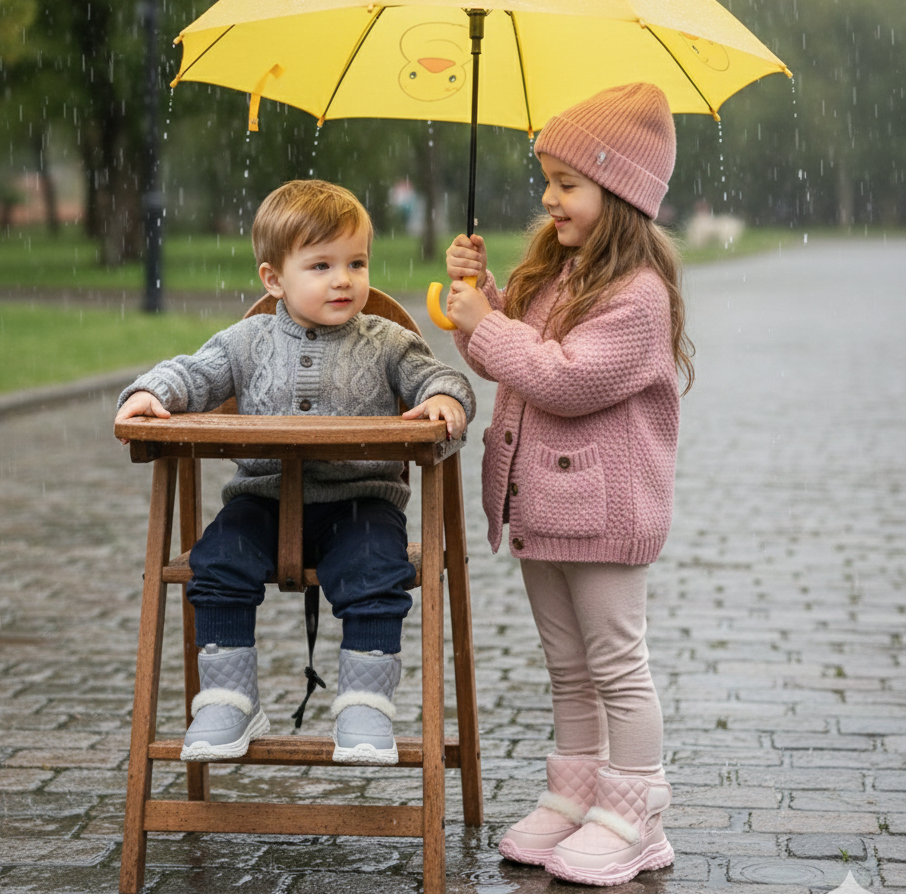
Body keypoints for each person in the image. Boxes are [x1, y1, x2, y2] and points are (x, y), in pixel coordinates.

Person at [116, 179, 475, 767]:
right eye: (321, 265)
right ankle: (229, 698)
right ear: (274, 279)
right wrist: (154, 390)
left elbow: (439, 377)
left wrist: (444, 400)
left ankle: (365, 704)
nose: (344, 279)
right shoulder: (249, 340)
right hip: (261, 500)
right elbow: (196, 372)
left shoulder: (390, 342)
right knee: (218, 560)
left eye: (356, 263)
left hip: (360, 501)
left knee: (375, 573)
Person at [443, 83, 693, 886]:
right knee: (566, 667)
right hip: (542, 507)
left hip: (605, 513)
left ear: (617, 194)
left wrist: (493, 327)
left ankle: (636, 810)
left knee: (615, 664)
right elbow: (501, 357)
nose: (549, 197)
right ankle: (577, 794)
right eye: (546, 178)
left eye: (567, 183)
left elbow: (567, 379)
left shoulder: (638, 298)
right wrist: (476, 304)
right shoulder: (553, 276)